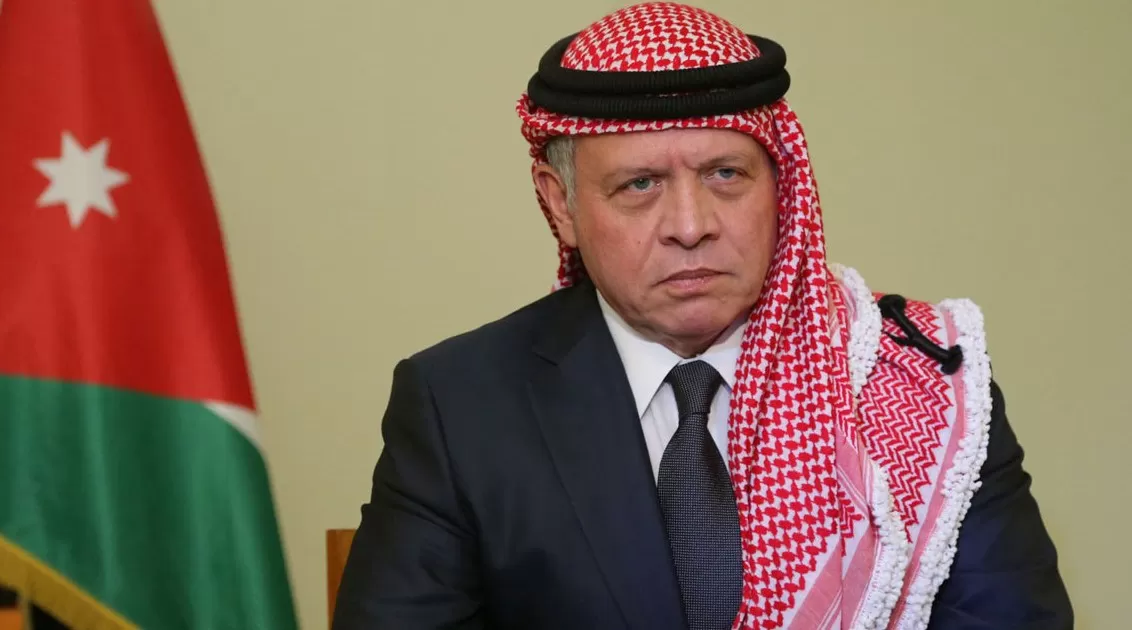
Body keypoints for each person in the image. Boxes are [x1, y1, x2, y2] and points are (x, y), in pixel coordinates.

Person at [332, 3, 1073, 628]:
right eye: (640, 185)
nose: (691, 226)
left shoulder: (918, 384)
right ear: (561, 206)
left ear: (780, 184)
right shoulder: (460, 406)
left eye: (726, 174)